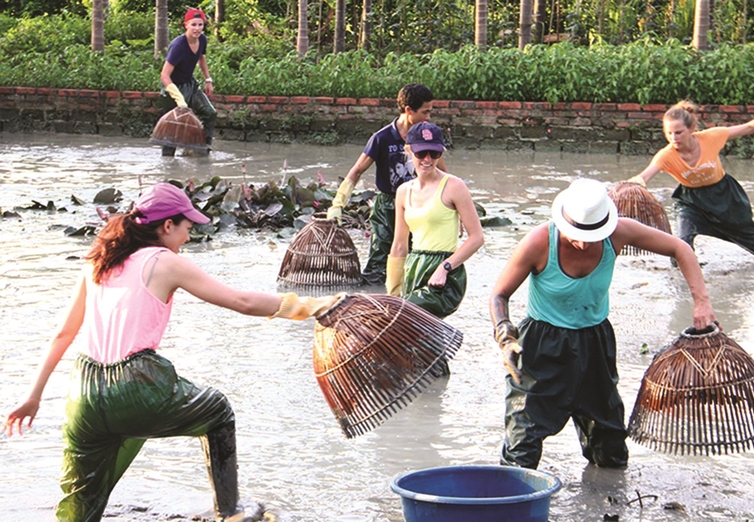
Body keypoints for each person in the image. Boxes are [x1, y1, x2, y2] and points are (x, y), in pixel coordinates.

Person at [3, 183, 342, 522]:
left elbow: (63, 334)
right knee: (218, 411)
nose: (188, 237)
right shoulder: (164, 262)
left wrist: (33, 396)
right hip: (135, 383)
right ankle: (229, 513)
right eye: (187, 228)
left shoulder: (98, 260)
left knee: (80, 502)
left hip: (83, 393)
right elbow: (242, 301)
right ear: (168, 225)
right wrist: (314, 306)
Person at [489, 178, 717, 470]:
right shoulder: (538, 242)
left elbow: (680, 249)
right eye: (576, 234)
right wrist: (505, 336)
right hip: (542, 346)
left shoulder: (618, 233)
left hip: (594, 344)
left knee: (610, 449)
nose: (583, 243)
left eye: (592, 235)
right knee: (522, 446)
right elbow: (499, 294)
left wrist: (702, 302)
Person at [629, 100, 754, 262]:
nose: (674, 138)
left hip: (725, 197)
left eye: (678, 132)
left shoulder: (711, 137)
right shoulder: (666, 155)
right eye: (669, 133)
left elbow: (749, 127)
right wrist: (630, 185)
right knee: (681, 245)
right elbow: (645, 176)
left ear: (691, 129)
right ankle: (683, 277)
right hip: (691, 202)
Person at [327, 83, 448, 285]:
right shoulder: (382, 138)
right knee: (380, 256)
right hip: (387, 206)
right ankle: (372, 296)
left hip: (417, 204)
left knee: (417, 255)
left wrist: (454, 207)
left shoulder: (426, 138)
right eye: (425, 112)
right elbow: (357, 170)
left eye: (430, 112)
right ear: (409, 110)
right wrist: (338, 203)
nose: (429, 118)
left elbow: (443, 174)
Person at [386, 122, 484, 320]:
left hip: (445, 273)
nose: (428, 159)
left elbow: (477, 238)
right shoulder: (403, 191)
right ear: (408, 150)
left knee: (408, 315)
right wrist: (392, 295)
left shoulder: (454, 186)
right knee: (402, 322)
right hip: (414, 269)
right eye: (421, 153)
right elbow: (399, 245)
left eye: (434, 153)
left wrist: (445, 267)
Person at [159, 8, 217, 157]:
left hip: (190, 84)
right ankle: (168, 162)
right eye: (193, 25)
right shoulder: (178, 46)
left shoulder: (202, 39)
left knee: (210, 113)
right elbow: (164, 75)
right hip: (173, 87)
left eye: (200, 25)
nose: (197, 29)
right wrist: (179, 98)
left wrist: (208, 80)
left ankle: (202, 148)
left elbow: (201, 57)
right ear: (186, 25)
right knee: (173, 129)